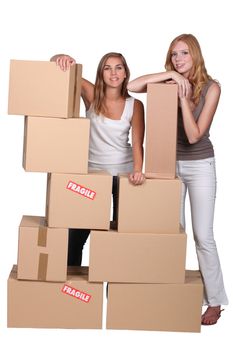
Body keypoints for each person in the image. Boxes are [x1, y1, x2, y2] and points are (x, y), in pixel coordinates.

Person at [128, 34, 228, 326]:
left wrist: (183, 99)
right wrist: (169, 76)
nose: (179, 59)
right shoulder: (168, 82)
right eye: (174, 55)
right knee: (174, 232)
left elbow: (195, 134)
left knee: (203, 236)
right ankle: (171, 290)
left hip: (200, 166)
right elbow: (131, 86)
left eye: (184, 53)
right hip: (169, 166)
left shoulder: (212, 89)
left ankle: (216, 301)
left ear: (195, 55)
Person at [51, 52, 145, 266]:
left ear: (125, 73)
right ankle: (73, 286)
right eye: (108, 68)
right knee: (76, 237)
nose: (113, 72)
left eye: (118, 67)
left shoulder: (135, 105)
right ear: (101, 73)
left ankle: (117, 294)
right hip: (92, 174)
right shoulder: (92, 95)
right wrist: (61, 57)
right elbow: (58, 68)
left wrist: (138, 170)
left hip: (123, 176)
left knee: (119, 238)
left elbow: (138, 141)